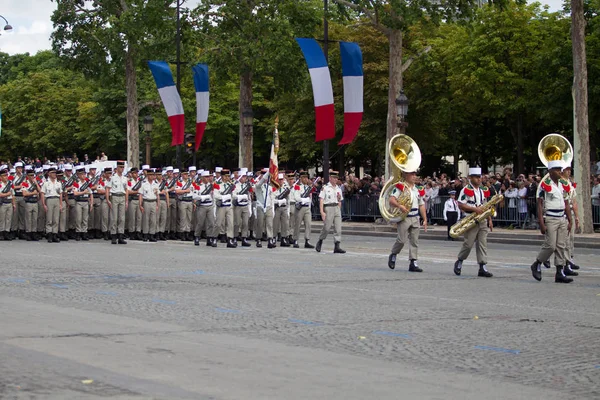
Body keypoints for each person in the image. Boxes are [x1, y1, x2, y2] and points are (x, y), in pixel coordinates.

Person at [530, 161, 574, 283]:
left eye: (560, 169)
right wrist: (541, 223)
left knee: (561, 245)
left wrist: (570, 220)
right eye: (556, 169)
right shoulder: (545, 185)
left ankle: (559, 272)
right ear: (550, 171)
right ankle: (537, 263)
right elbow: (539, 205)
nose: (560, 171)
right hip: (551, 217)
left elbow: (566, 203)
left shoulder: (563, 184)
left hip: (562, 217)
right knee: (551, 245)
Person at [453, 167, 494, 278]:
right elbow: (460, 204)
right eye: (476, 177)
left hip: (482, 219)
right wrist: (474, 209)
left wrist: (489, 219)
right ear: (470, 178)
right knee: (468, 243)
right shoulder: (466, 189)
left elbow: (486, 206)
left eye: (479, 177)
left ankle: (482, 266)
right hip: (471, 219)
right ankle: (460, 261)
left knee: (482, 244)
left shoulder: (481, 190)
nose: (478, 179)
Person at [387, 170, 427, 271]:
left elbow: (421, 205)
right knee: (401, 240)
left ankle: (413, 262)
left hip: (415, 216)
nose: (414, 176)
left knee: (414, 241)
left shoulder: (418, 189)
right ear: (406, 175)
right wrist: (399, 206)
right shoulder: (401, 187)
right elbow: (391, 200)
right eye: (412, 174)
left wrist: (425, 219)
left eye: (415, 174)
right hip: (405, 216)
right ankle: (394, 254)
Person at [316, 171, 345, 254]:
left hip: (336, 207)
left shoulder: (338, 188)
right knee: (327, 227)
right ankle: (320, 240)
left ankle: (337, 245)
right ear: (330, 178)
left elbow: (340, 200)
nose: (336, 179)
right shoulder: (325, 187)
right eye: (334, 178)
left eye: (337, 178)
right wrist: (322, 212)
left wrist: (339, 208)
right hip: (328, 207)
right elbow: (321, 199)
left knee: (338, 228)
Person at [561, 164, 581, 271]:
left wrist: (577, 217)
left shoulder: (570, 184)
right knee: (565, 240)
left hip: (571, 213)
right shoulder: (560, 183)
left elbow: (574, 202)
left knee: (571, 239)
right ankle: (564, 262)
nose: (568, 172)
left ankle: (570, 259)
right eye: (566, 170)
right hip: (563, 214)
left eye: (569, 170)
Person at [106, 160, 128, 244]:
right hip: (114, 196)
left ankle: (120, 236)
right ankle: (113, 235)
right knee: (114, 217)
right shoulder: (112, 177)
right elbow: (108, 188)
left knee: (122, 218)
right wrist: (108, 199)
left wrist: (126, 201)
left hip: (122, 196)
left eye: (123, 167)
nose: (122, 169)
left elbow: (126, 190)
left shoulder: (125, 178)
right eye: (120, 167)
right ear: (117, 167)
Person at [193, 170, 217, 247]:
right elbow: (194, 196)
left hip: (210, 205)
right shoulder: (198, 185)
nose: (208, 178)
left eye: (209, 177)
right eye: (206, 177)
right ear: (202, 178)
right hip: (202, 206)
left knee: (211, 222)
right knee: (200, 222)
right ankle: (197, 236)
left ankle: (209, 237)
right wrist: (204, 197)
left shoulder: (212, 185)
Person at [292, 171, 316, 248]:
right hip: (300, 207)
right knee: (297, 224)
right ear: (301, 178)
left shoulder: (308, 187)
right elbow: (296, 197)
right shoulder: (297, 186)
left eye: (307, 177)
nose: (306, 179)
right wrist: (305, 200)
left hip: (307, 208)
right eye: (304, 177)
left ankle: (307, 240)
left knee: (308, 224)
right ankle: (295, 240)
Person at [214, 169, 236, 248]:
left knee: (230, 223)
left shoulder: (231, 185)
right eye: (226, 176)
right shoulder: (217, 184)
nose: (228, 178)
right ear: (222, 177)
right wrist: (224, 197)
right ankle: (214, 237)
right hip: (221, 206)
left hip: (229, 206)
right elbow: (215, 196)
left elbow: (234, 195)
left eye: (228, 176)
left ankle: (230, 239)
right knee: (218, 223)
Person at [41, 167, 63, 243]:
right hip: (49, 199)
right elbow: (42, 194)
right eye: (53, 173)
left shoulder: (59, 183)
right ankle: (49, 234)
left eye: (55, 173)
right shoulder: (46, 183)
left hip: (56, 199)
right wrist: (44, 204)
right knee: (49, 218)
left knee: (56, 219)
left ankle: (54, 234)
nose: (54, 174)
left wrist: (60, 204)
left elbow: (60, 194)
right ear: (49, 174)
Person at [232, 171, 252, 247]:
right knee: (237, 223)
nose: (245, 178)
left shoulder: (247, 185)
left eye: (245, 177)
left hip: (245, 205)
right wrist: (241, 197)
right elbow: (233, 195)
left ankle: (244, 238)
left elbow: (249, 196)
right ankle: (235, 237)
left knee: (245, 223)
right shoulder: (236, 185)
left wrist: (250, 208)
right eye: (243, 177)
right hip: (238, 206)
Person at [21, 167, 41, 241]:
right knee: (28, 218)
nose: (32, 177)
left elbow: (40, 191)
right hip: (28, 202)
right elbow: (24, 193)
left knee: (35, 218)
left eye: (33, 175)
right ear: (28, 176)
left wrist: (36, 183)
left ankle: (33, 232)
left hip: (35, 202)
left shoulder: (35, 183)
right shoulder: (25, 183)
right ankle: (28, 233)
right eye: (31, 175)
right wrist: (33, 193)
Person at [140, 169, 159, 242]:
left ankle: (152, 234)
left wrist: (157, 204)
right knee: (146, 219)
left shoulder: (156, 184)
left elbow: (157, 195)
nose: (151, 176)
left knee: (153, 220)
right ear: (147, 176)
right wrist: (140, 204)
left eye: (152, 175)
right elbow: (141, 195)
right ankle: (145, 234)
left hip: (153, 202)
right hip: (146, 202)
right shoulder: (144, 184)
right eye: (150, 175)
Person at [0, 167, 15, 240]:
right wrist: (7, 194)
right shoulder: (0, 184)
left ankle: (7, 232)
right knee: (2, 218)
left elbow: (13, 194)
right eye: (4, 176)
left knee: (9, 218)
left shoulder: (10, 184)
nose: (6, 177)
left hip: (9, 202)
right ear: (1, 177)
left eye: (6, 175)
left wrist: (14, 204)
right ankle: (1, 232)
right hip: (2, 203)